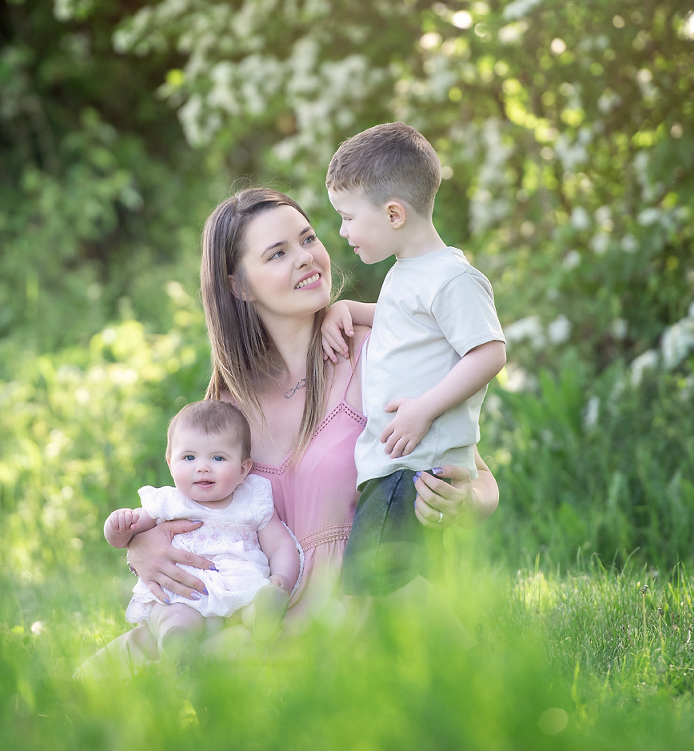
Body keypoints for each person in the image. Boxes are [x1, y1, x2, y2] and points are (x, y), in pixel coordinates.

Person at [81, 188, 499, 675]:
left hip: (362, 610)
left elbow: (480, 479)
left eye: (307, 239)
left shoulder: (378, 355)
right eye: (278, 253)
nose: (306, 258)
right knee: (91, 687)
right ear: (239, 285)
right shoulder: (226, 407)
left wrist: (464, 503)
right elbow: (197, 515)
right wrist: (141, 548)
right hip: (259, 613)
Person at [325, 122, 506, 596]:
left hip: (412, 467)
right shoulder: (409, 273)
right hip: (397, 468)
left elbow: (489, 352)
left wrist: (425, 408)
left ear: (393, 213)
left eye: (347, 217)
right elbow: (395, 320)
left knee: (375, 589)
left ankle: (435, 661)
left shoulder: (451, 278)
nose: (342, 231)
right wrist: (346, 309)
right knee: (404, 584)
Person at [103, 400, 299, 658]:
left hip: (240, 587)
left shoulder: (253, 499)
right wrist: (117, 528)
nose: (202, 466)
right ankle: (178, 646)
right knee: (174, 617)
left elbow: (280, 545)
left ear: (243, 469)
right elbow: (129, 533)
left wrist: (281, 580)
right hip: (184, 594)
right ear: (171, 463)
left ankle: (262, 615)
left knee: (253, 604)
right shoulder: (168, 501)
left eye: (218, 457)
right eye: (189, 457)